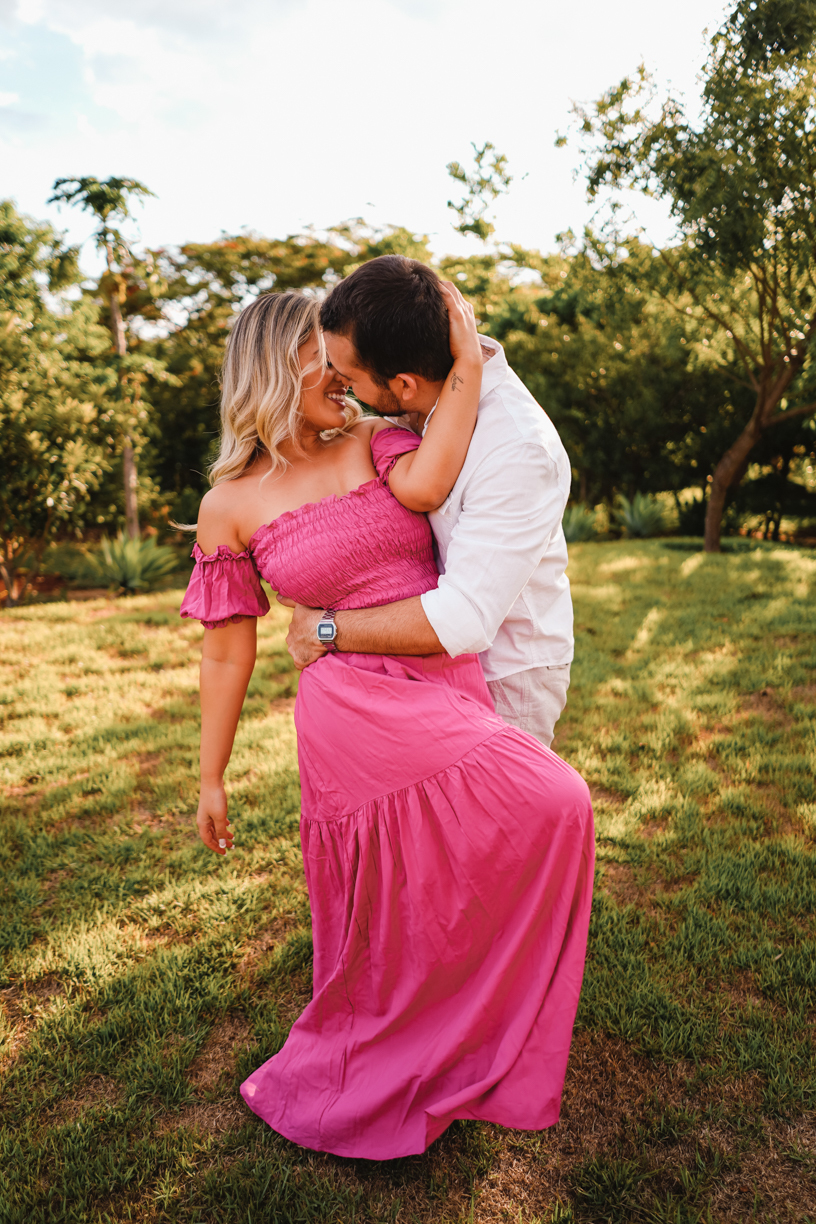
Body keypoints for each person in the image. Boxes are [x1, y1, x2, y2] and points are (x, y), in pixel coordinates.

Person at [180, 282, 594, 1161]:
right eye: (323, 360)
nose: (342, 375)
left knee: (489, 845)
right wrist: (211, 775)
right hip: (353, 709)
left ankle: (475, 1014)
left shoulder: (376, 440)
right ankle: (403, 1039)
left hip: (443, 672)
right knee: (531, 816)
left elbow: (435, 479)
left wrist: (468, 354)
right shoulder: (230, 506)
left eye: (345, 363)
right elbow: (225, 654)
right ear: (275, 368)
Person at [282, 254, 574, 748]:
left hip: (501, 673)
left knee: (492, 801)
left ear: (403, 385)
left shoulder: (518, 448)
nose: (341, 383)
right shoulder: (412, 401)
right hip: (420, 667)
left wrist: (326, 629)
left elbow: (464, 619)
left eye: (348, 373)